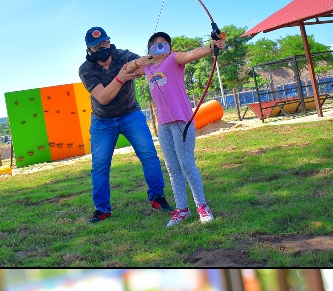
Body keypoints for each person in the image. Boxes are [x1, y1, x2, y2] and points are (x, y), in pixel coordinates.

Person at [79, 27, 172, 223]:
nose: (102, 48)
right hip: (102, 121)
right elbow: (103, 97)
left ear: (109, 41)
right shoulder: (85, 69)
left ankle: (157, 197)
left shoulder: (123, 55)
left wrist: (135, 64)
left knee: (148, 154)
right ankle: (102, 209)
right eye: (96, 46)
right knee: (99, 166)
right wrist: (121, 77)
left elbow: (145, 67)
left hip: (131, 114)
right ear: (89, 50)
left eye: (104, 43)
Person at [143, 32, 225, 227]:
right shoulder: (147, 68)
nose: (159, 48)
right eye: (155, 45)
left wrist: (212, 47)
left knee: (187, 164)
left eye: (163, 45)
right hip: (163, 124)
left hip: (181, 120)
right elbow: (128, 69)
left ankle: (202, 206)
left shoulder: (173, 59)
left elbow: (190, 55)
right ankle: (182, 210)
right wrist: (138, 62)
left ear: (170, 48)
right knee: (172, 168)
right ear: (149, 50)